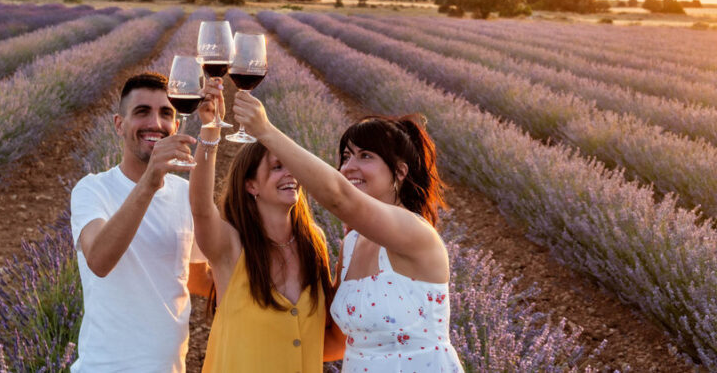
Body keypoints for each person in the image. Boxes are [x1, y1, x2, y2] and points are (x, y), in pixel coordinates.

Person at [233, 93, 464, 373]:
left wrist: (265, 131)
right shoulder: (352, 243)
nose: (349, 167)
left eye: (365, 156)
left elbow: (338, 197)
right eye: (345, 156)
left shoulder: (414, 232)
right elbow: (333, 341)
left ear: (400, 171)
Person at [69, 72, 219, 373]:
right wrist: (151, 179)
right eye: (142, 112)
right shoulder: (93, 189)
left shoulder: (183, 195)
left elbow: (196, 277)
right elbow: (98, 260)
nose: (155, 123)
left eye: (166, 113)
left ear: (176, 125)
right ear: (119, 125)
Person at [189, 125, 344, 371]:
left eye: (292, 165)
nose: (290, 174)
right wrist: (209, 132)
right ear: (252, 186)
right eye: (277, 167)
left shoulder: (314, 242)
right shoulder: (231, 246)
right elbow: (200, 208)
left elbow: (328, 335)